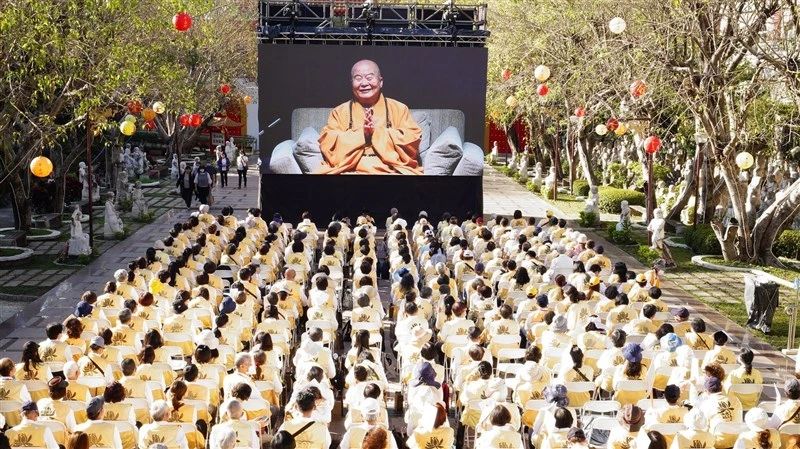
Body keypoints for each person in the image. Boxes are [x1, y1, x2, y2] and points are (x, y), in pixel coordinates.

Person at [316, 59, 423, 175]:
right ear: (351, 83)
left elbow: (411, 139)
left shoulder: (399, 108)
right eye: (358, 78)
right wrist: (362, 135)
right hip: (350, 168)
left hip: (390, 168)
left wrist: (375, 133)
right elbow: (328, 142)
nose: (364, 83)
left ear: (381, 82)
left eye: (369, 77)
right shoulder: (339, 112)